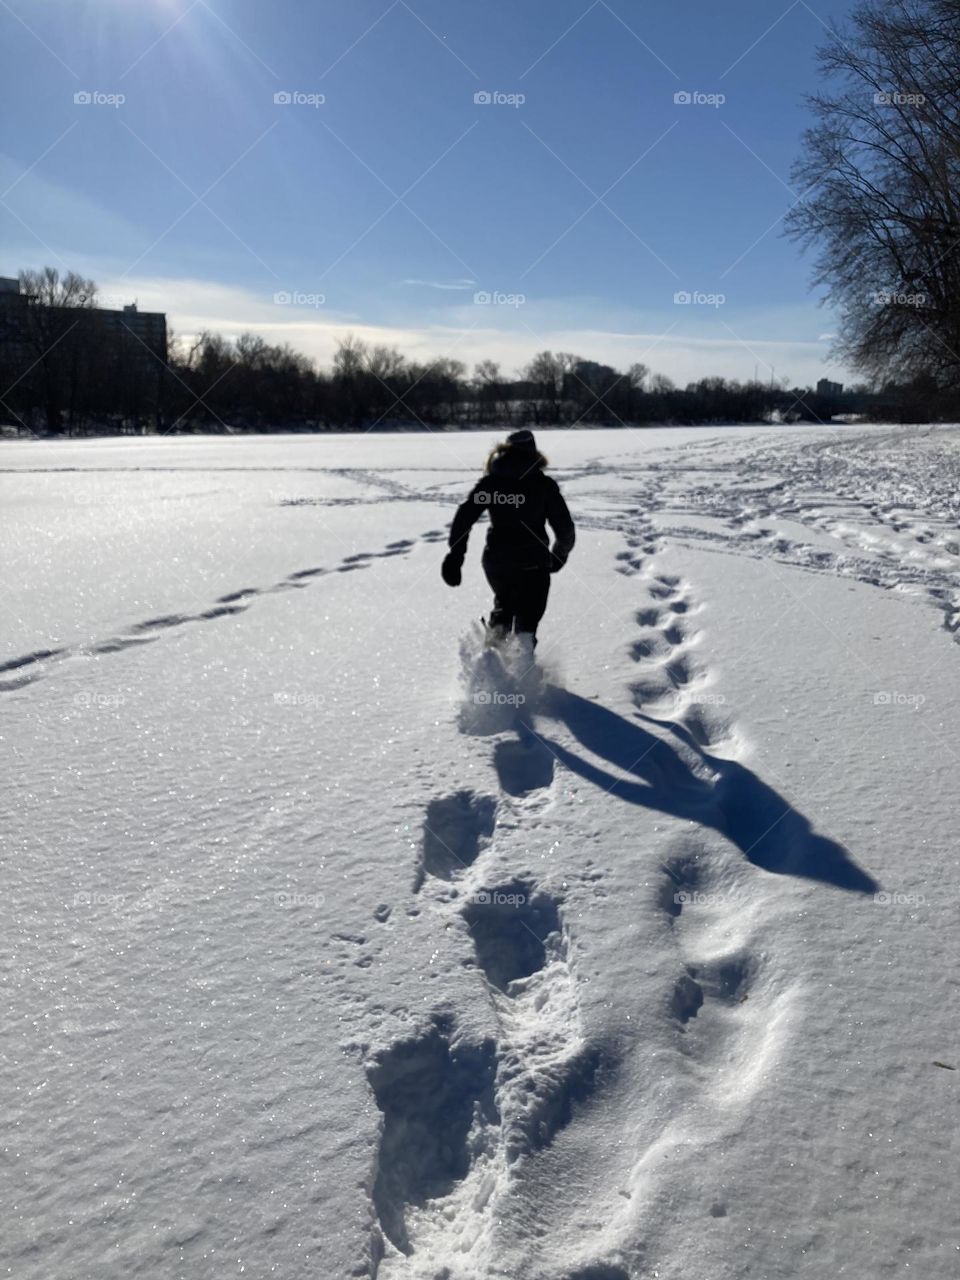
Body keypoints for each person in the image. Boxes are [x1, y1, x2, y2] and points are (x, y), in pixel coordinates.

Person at [441, 429, 575, 645]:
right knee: (527, 621)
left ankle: (491, 656)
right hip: (534, 562)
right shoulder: (544, 486)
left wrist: (455, 556)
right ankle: (521, 662)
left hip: (498, 561)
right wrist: (558, 556)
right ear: (534, 452)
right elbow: (565, 529)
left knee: (504, 605)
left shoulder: (491, 484)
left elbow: (465, 517)